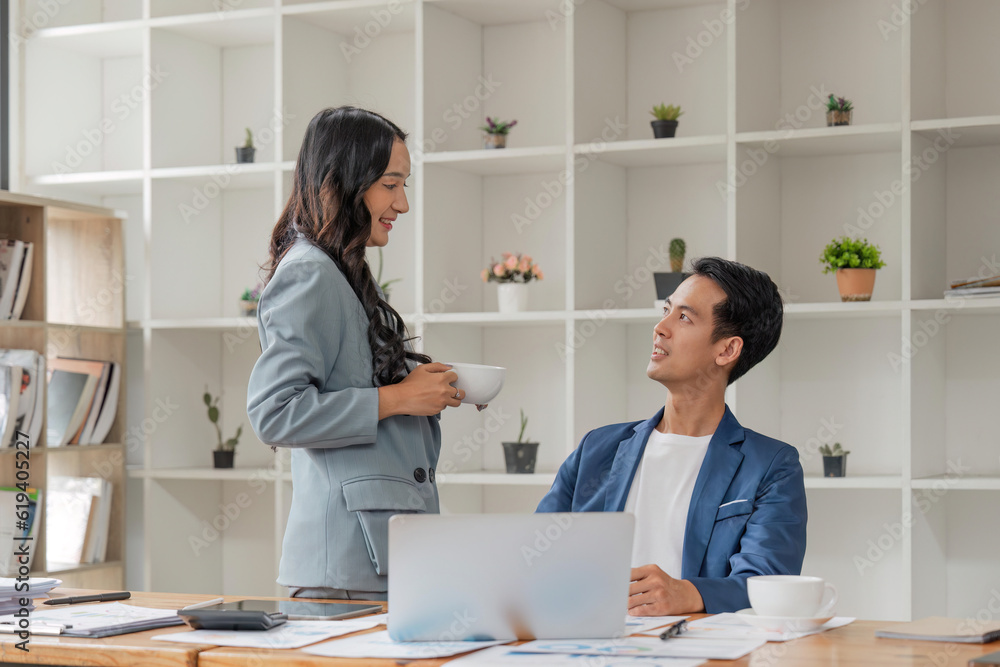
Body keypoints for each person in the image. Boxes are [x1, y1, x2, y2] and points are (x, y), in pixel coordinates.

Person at [246, 107, 466, 601]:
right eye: (391, 184)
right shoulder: (311, 273)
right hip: (345, 570)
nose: (403, 204)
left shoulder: (339, 271)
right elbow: (275, 414)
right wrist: (400, 399)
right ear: (346, 181)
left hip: (373, 560)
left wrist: (425, 383)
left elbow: (350, 380)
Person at [537, 257, 807, 615]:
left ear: (727, 349)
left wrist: (688, 594)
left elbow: (768, 584)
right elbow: (534, 555)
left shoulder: (772, 466)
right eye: (666, 310)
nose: (660, 327)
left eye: (683, 317)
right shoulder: (597, 449)